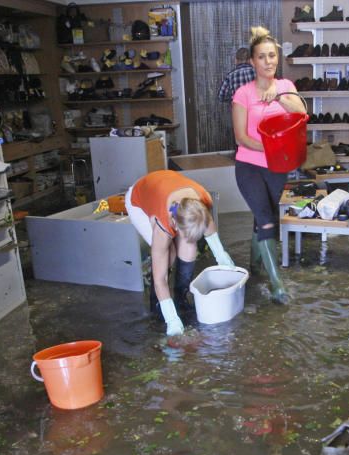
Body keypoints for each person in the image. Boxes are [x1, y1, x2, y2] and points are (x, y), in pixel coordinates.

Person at [232, 26, 306, 303]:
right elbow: (241, 137)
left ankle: (254, 265)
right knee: (265, 219)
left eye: (272, 56)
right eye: (262, 57)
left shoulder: (287, 87)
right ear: (252, 62)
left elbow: (302, 113)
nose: (268, 62)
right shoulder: (243, 94)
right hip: (249, 166)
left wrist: (278, 98)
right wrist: (272, 148)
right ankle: (277, 285)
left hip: (277, 166)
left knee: (264, 215)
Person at [126, 170, 235, 336]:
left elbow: (211, 232)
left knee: (190, 248)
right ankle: (158, 307)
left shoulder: (202, 204)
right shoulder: (163, 223)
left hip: (166, 184)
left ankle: (181, 298)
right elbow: (160, 280)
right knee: (168, 255)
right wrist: (172, 320)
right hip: (139, 198)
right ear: (175, 225)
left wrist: (222, 257)